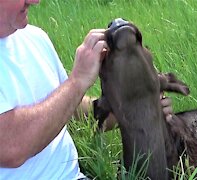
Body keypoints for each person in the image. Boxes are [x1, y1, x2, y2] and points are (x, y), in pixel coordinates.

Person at [0, 0, 173, 179]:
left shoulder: (34, 38)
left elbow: (70, 111)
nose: (35, 1)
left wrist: (136, 110)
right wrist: (77, 81)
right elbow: (12, 147)